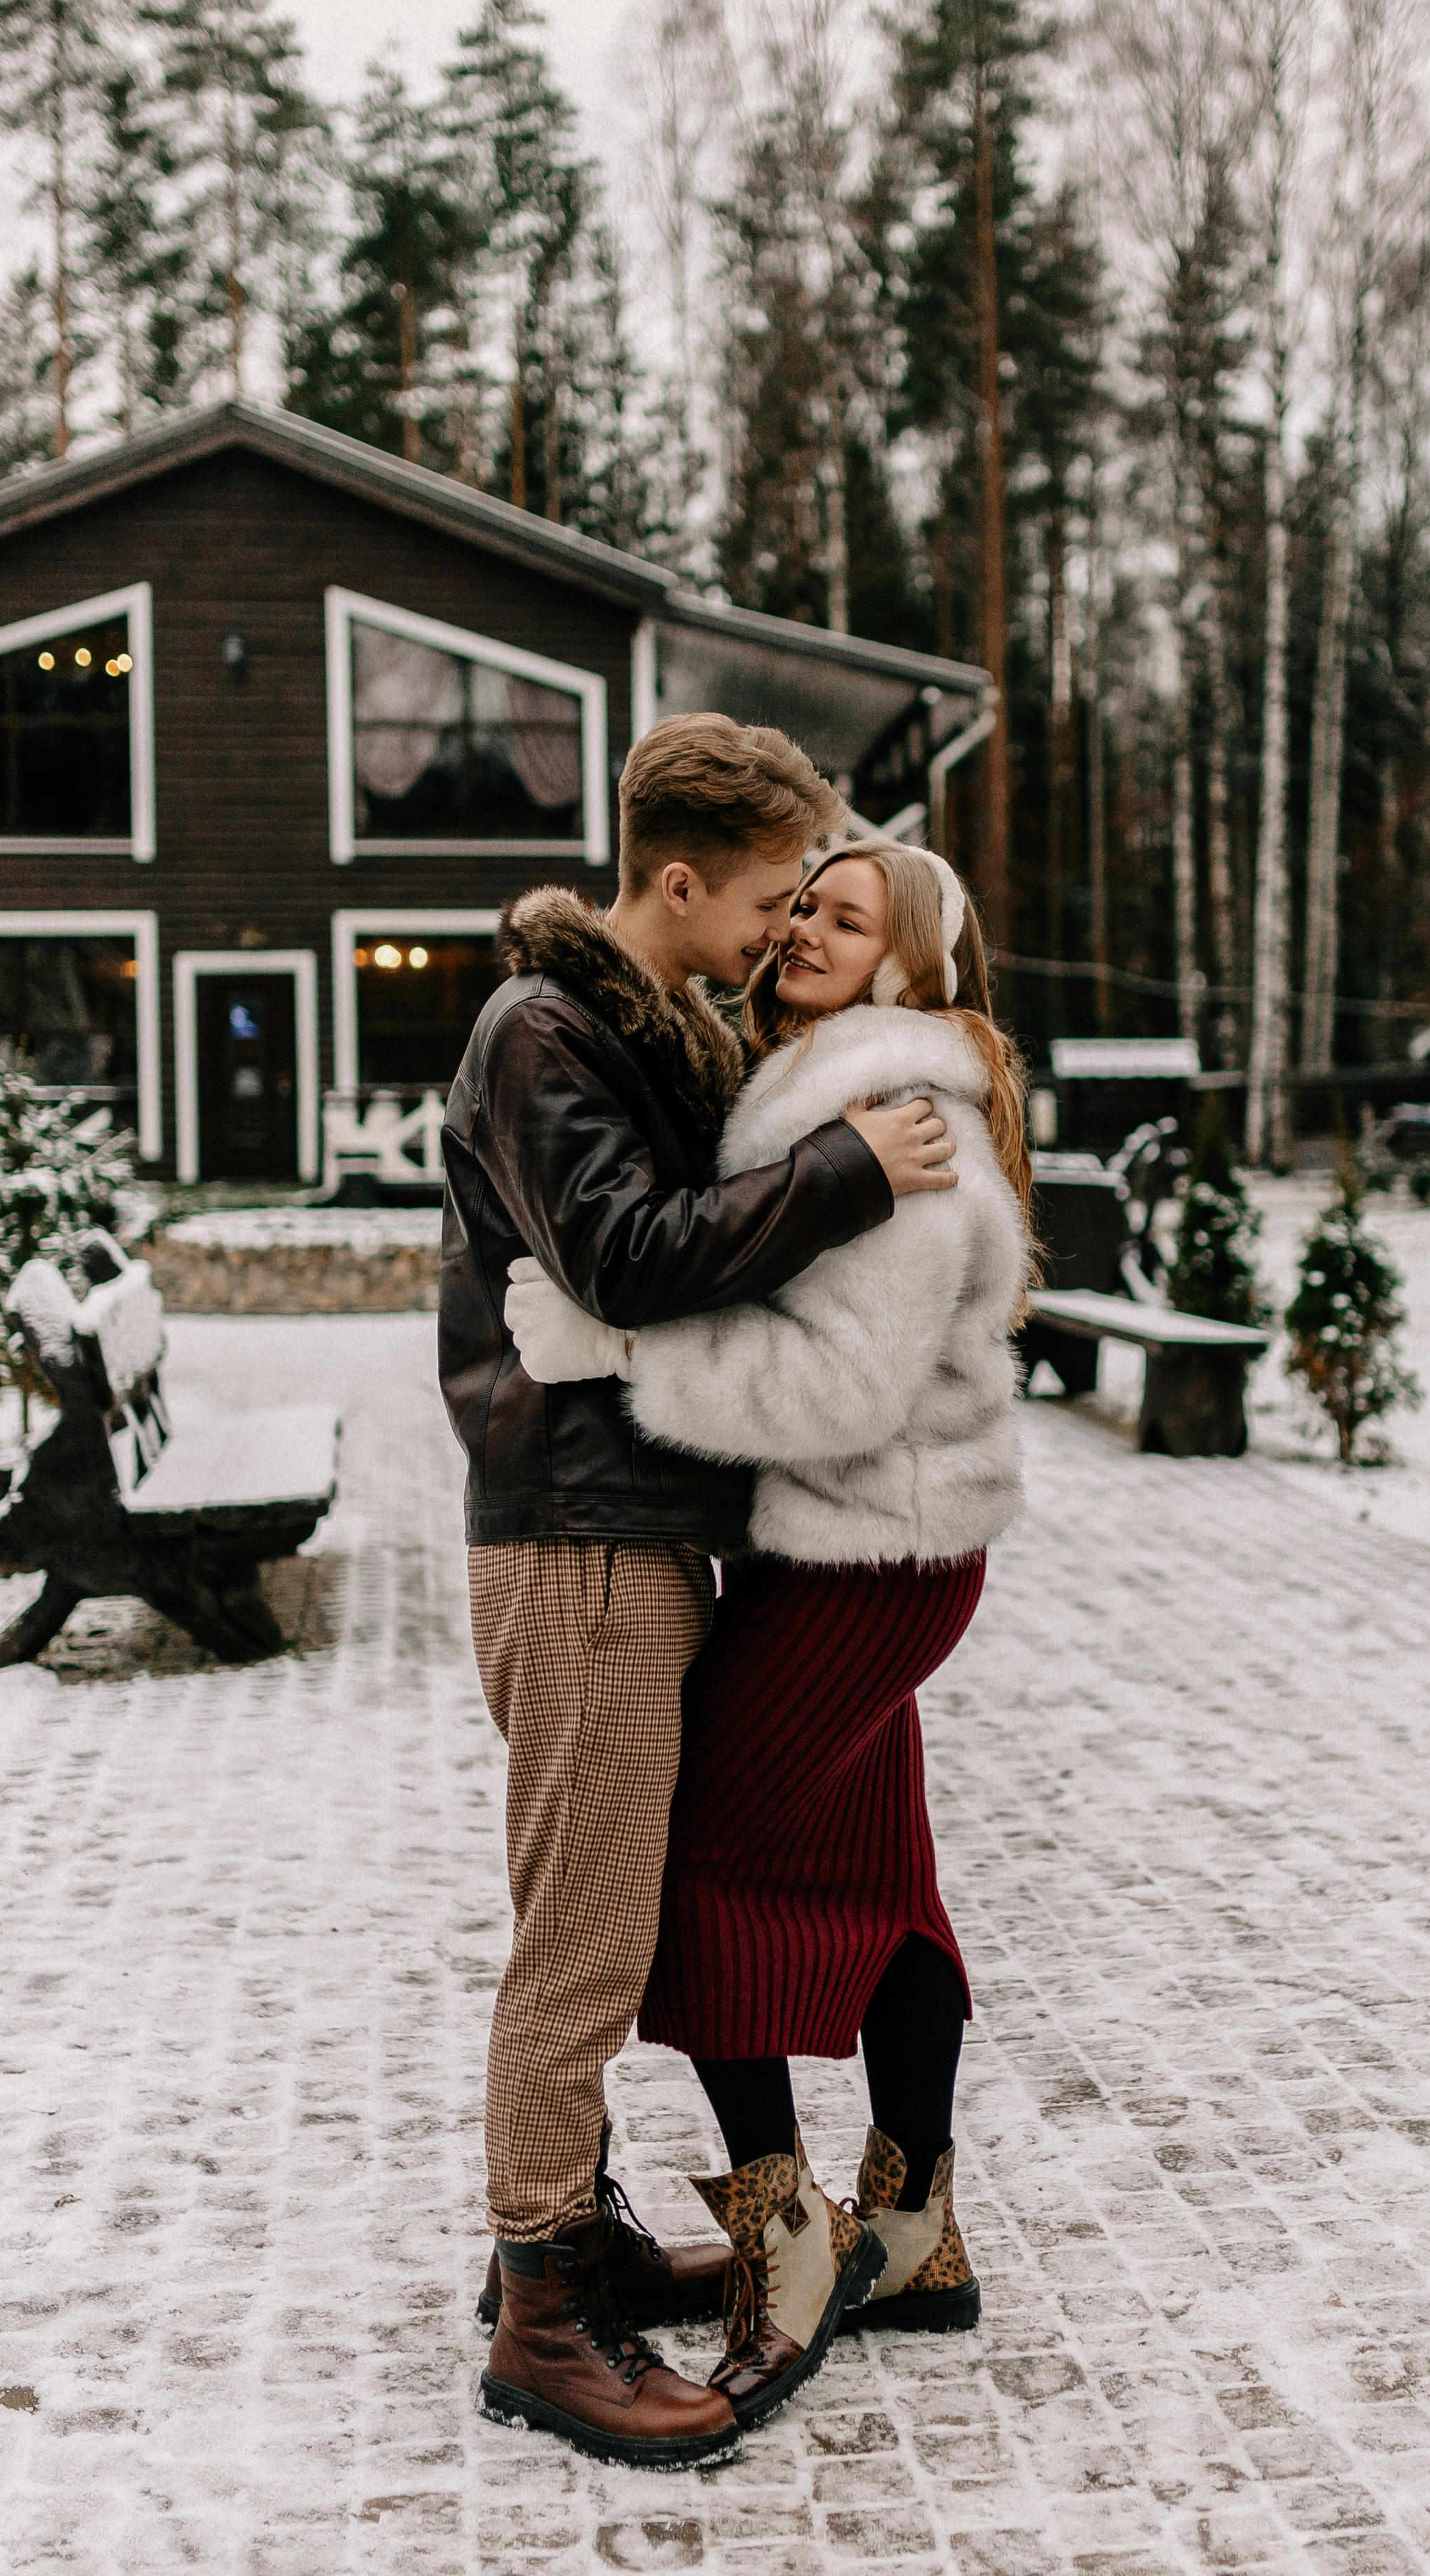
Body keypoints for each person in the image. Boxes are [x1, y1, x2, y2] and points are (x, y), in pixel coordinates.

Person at [438, 718, 961, 2471]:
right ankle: (541, 2318)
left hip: (629, 1528)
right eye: (766, 900)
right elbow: (629, 1255)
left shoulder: (632, 1025)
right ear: (676, 883)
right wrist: (845, 1168)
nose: (780, 928)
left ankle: (574, 2245)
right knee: (582, 1948)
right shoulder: (541, 1033)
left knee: (597, 1916)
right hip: (579, 1546)